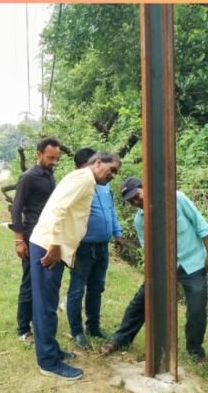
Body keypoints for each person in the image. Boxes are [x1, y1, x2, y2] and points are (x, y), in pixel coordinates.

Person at [102, 178, 208, 363]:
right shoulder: (139, 220)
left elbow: (201, 226)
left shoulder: (176, 199)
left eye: (136, 196)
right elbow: (149, 248)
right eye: (130, 201)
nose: (135, 202)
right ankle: (120, 340)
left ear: (145, 187)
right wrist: (151, 274)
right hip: (164, 266)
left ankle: (195, 350)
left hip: (192, 262)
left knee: (196, 309)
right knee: (141, 301)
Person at [28, 152, 121, 381]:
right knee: (46, 306)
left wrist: (67, 250)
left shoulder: (84, 179)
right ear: (98, 163)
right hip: (48, 246)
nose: (113, 175)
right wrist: (55, 245)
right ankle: (48, 362)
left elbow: (72, 217)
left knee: (47, 304)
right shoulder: (84, 179)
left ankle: (52, 350)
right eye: (112, 169)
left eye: (116, 172)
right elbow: (58, 209)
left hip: (54, 246)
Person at [66, 147, 124, 349]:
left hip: (102, 247)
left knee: (96, 288)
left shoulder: (105, 186)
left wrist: (117, 233)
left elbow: (111, 210)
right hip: (83, 247)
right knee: (77, 289)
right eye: (112, 170)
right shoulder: (81, 184)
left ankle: (93, 326)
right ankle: (77, 331)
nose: (112, 175)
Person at [11, 138, 62, 346]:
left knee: (42, 283)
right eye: (50, 158)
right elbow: (16, 209)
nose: (54, 162)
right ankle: (23, 329)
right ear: (38, 154)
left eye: (56, 159)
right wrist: (18, 240)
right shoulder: (28, 177)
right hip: (32, 237)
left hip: (48, 236)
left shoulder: (49, 175)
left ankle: (38, 322)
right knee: (30, 283)